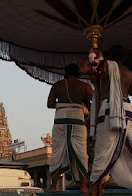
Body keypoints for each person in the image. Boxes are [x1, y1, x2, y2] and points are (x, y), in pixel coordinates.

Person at [86, 46, 132, 196]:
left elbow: (90, 67)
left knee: (102, 153)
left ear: (110, 56)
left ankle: (92, 190)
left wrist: (93, 53)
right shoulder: (129, 73)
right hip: (126, 111)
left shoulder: (105, 67)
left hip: (109, 110)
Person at [47, 63, 94, 193]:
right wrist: (82, 105)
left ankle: (53, 187)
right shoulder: (84, 86)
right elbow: (94, 100)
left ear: (66, 72)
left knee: (57, 152)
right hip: (78, 120)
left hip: (60, 119)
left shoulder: (57, 85)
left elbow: (50, 104)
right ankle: (84, 186)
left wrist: (63, 104)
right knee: (81, 153)